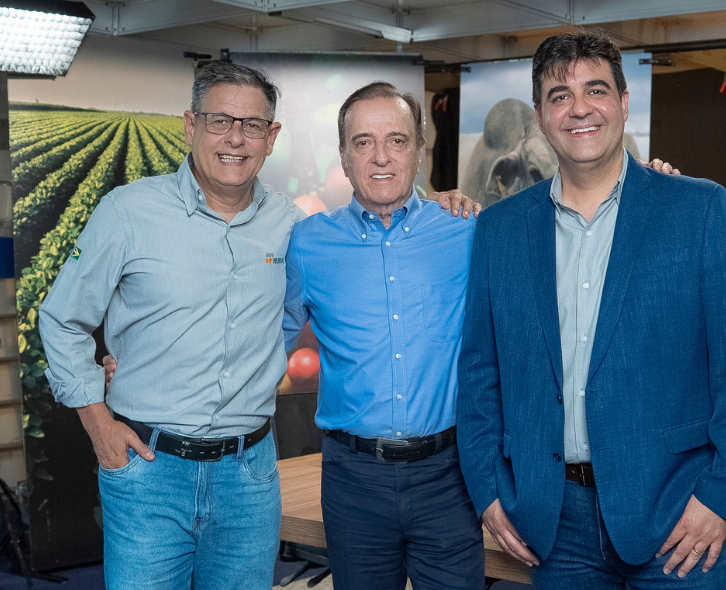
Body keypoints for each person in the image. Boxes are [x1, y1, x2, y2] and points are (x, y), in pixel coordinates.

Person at [39, 62, 473, 590]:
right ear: (190, 125)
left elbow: (282, 325)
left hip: (250, 474)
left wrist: (447, 201)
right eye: (221, 121)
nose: (236, 139)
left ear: (272, 138)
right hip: (150, 468)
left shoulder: (294, 228)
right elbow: (62, 317)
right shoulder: (131, 212)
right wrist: (96, 421)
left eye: (252, 126)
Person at [456, 28, 726, 590]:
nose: (579, 109)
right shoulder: (499, 230)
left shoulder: (697, 210)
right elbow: (481, 374)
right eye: (560, 96)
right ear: (540, 115)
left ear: (624, 104)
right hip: (552, 526)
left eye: (596, 90)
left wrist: (721, 499)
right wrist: (488, 491)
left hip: (677, 516)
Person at [281, 81, 483, 590]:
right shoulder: (308, 244)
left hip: (451, 475)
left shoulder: (468, 230)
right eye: (363, 142)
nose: (380, 157)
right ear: (344, 157)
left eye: (396, 140)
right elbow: (261, 343)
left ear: (419, 151)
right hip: (353, 480)